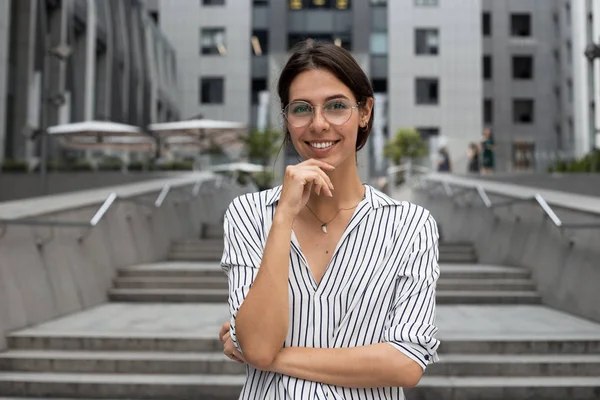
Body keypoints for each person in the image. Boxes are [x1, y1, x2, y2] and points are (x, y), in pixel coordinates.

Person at [218, 40, 440, 400]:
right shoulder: (248, 215)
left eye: (337, 106)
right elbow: (258, 345)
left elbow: (405, 363)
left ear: (365, 111)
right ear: (287, 119)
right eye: (302, 109)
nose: (318, 124)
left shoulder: (410, 226)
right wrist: (284, 218)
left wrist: (275, 359)